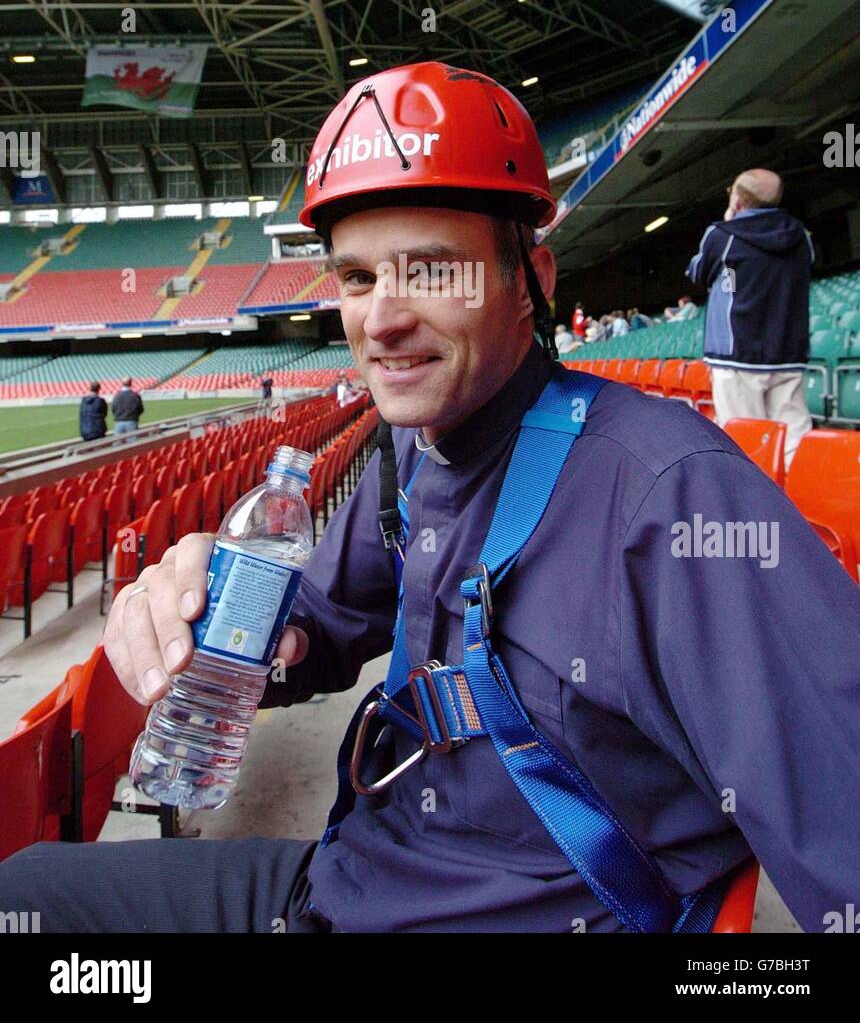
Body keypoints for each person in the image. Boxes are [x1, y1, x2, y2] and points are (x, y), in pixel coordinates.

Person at [2, 62, 857, 935]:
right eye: (359, 278)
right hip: (346, 882)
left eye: (432, 272)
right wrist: (218, 611)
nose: (382, 319)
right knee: (24, 896)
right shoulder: (414, 450)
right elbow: (320, 624)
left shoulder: (675, 498)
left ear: (534, 278)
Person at [686, 168, 813, 464]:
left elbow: (697, 273)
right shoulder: (801, 235)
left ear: (738, 201)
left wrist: (730, 220)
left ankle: (757, 508)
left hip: (737, 354)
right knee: (795, 443)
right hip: (788, 352)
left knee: (746, 445)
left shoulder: (722, 234)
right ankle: (798, 503)